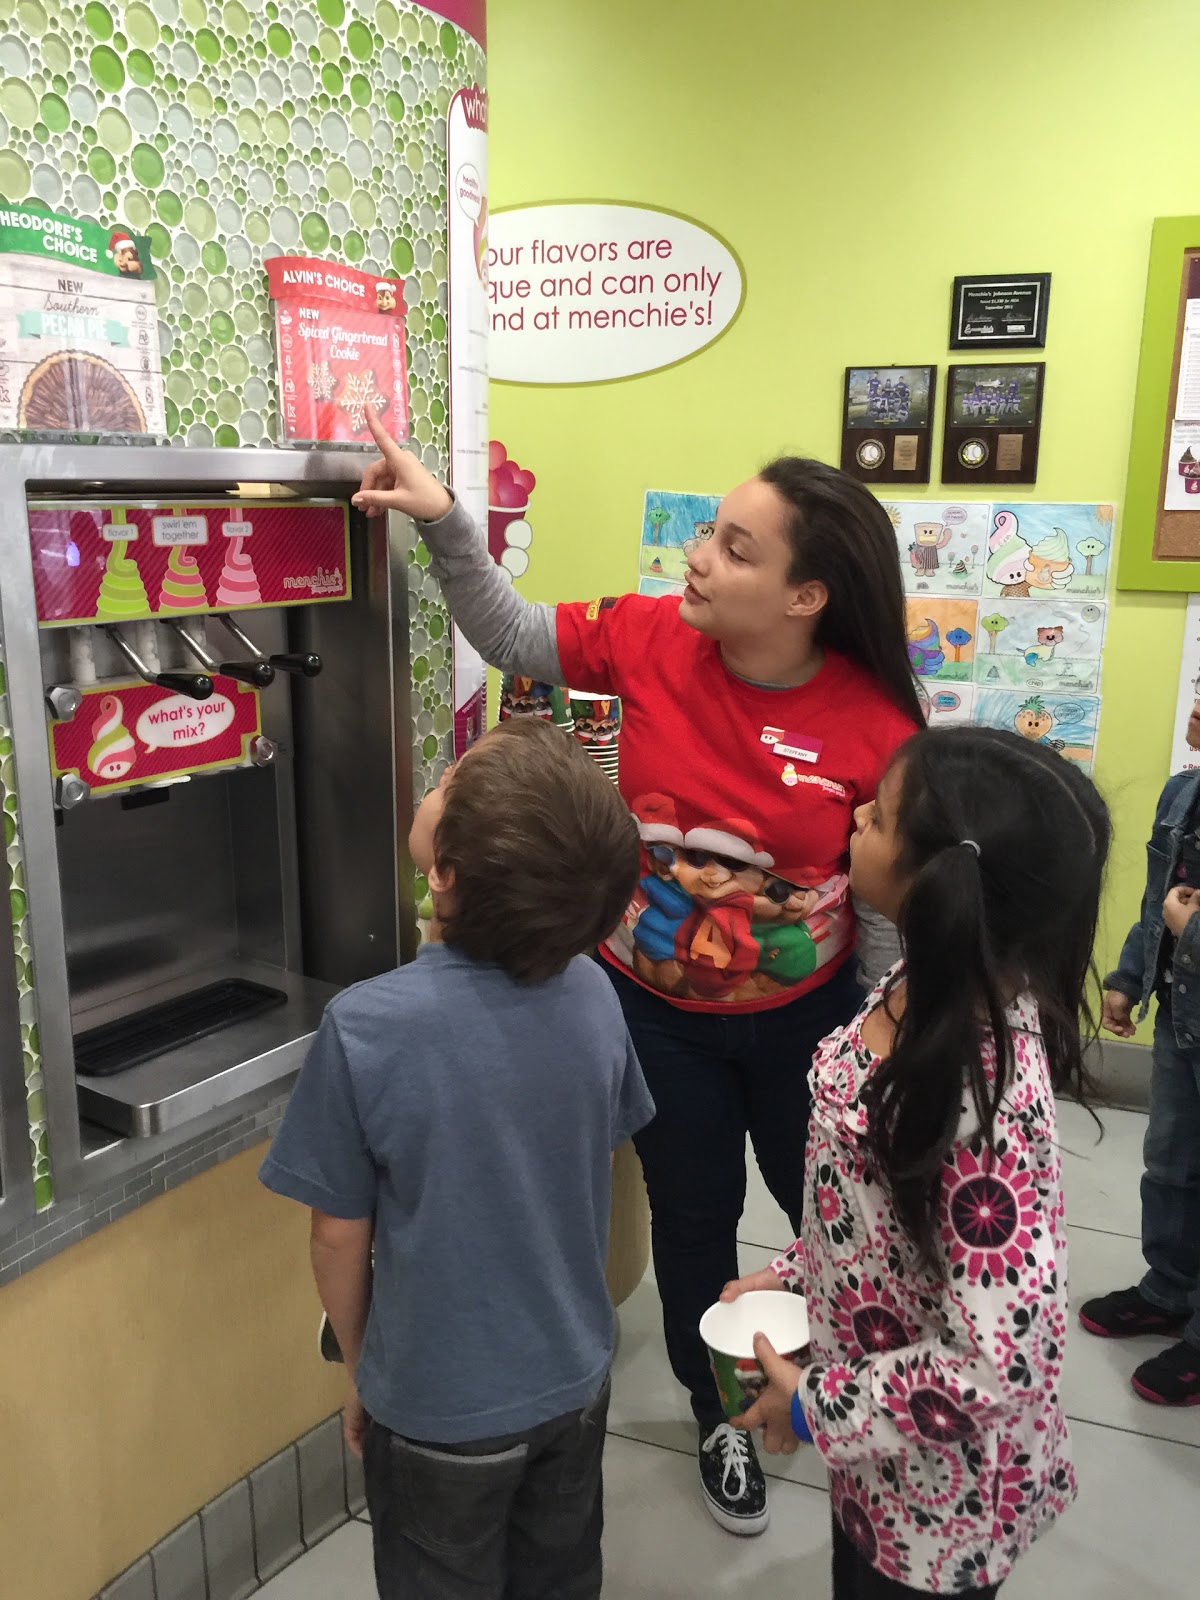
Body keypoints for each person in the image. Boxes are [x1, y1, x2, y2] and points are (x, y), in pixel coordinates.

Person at [353, 410, 923, 1534]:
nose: (697, 558)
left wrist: (885, 1021)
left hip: (811, 1016)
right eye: (709, 534)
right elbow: (515, 633)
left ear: (808, 596)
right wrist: (448, 525)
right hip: (653, 1010)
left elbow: (885, 898)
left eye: (736, 549)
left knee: (842, 1215)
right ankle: (722, 1412)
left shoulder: (875, 718)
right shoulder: (655, 634)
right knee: (694, 1216)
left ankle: (834, 1398)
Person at [259, 717, 654, 1600]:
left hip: (435, 1408)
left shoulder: (365, 1029)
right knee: (559, 1576)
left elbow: (335, 1238)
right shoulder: (596, 994)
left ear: (446, 873)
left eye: (446, 785)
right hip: (574, 1380)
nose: (432, 781)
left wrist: (362, 1366)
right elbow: (596, 1145)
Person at [721, 727, 1110, 1597]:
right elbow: (876, 1219)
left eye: (882, 814)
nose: (856, 813)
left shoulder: (982, 1097)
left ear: (940, 875)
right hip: (880, 1451)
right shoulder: (917, 987)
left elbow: (1002, 1359)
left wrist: (814, 1410)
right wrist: (796, 1275)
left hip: (941, 1508)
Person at [1079, 688, 1200, 1406]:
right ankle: (1170, 1289)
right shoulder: (1183, 794)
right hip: (1183, 1027)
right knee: (1171, 1165)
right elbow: (1162, 899)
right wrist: (1128, 979)